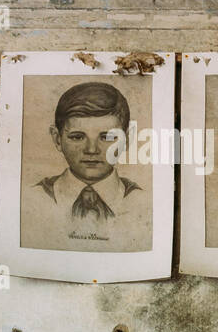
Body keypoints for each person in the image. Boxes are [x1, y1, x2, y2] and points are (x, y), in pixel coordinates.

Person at [36, 82, 141, 225]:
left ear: (127, 139)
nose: (92, 150)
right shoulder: (34, 198)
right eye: (77, 137)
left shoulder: (143, 201)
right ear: (57, 139)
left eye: (107, 137)